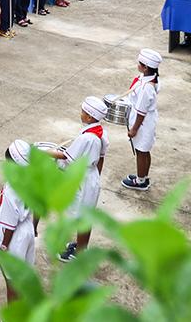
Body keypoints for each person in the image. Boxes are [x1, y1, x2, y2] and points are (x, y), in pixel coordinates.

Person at [52, 97, 109, 262]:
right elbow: (101, 157)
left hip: (84, 178)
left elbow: (66, 156)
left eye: (83, 111)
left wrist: (46, 152)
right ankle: (80, 246)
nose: (81, 114)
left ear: (90, 117)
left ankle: (80, 253)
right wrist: (95, 177)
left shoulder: (87, 138)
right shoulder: (100, 132)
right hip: (90, 177)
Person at [0, 139, 39, 304]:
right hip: (27, 228)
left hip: (15, 237)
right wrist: (34, 227)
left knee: (12, 283)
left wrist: (3, 247)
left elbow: (10, 223)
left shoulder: (12, 188)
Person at [122, 48, 159, 191]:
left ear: (145, 67)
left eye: (140, 64)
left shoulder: (146, 88)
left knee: (141, 152)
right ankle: (143, 175)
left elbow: (141, 112)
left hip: (143, 123)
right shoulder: (151, 78)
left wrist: (134, 129)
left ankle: (140, 181)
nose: (138, 65)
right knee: (145, 150)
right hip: (146, 121)